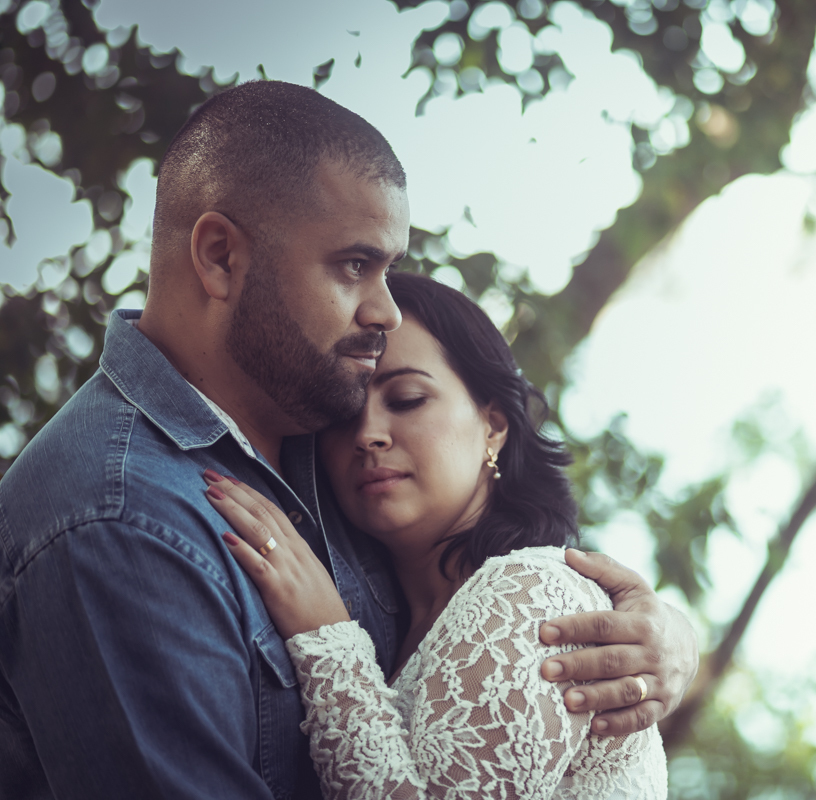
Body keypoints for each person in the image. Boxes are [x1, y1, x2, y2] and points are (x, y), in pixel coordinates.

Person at [0, 81, 695, 799]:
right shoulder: (115, 520)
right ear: (219, 256)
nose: (385, 310)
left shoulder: (315, 439)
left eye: (388, 270)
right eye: (354, 265)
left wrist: (668, 637)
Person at [205, 272, 669, 798]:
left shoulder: (531, 597)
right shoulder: (402, 618)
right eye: (342, 415)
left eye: (406, 399)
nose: (367, 435)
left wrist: (326, 642)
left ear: (492, 425)